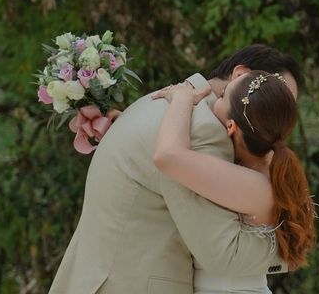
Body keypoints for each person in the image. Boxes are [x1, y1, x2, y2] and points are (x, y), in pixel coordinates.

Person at [49, 45, 304, 294]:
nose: (275, 113)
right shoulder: (200, 129)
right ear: (241, 75)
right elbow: (222, 253)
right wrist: (290, 250)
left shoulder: (164, 102)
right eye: (269, 98)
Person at [151, 70, 316, 293]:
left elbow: (167, 156)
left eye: (221, 97)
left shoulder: (255, 185)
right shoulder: (266, 171)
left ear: (231, 127)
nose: (213, 100)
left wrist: (182, 97)